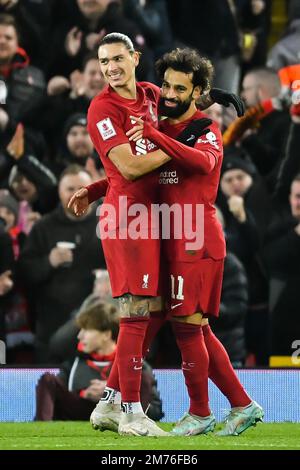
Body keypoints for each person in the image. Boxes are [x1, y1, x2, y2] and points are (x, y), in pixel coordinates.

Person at [68, 33, 248, 437]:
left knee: (164, 318)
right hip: (130, 219)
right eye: (103, 61)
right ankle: (133, 411)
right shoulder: (102, 109)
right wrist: (173, 139)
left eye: (117, 58)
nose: (110, 68)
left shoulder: (149, 94)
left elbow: (180, 105)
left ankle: (114, 401)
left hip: (167, 225)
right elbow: (130, 170)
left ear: (134, 59)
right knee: (138, 314)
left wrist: (211, 97)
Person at [35, 301, 163, 422]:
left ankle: (137, 422)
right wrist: (84, 393)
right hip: (81, 412)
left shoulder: (137, 365)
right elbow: (60, 403)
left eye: (86, 330)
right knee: (48, 379)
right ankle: (40, 430)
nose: (79, 336)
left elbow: (156, 411)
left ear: (106, 335)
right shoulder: (73, 364)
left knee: (143, 378)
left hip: (121, 413)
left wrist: (113, 396)